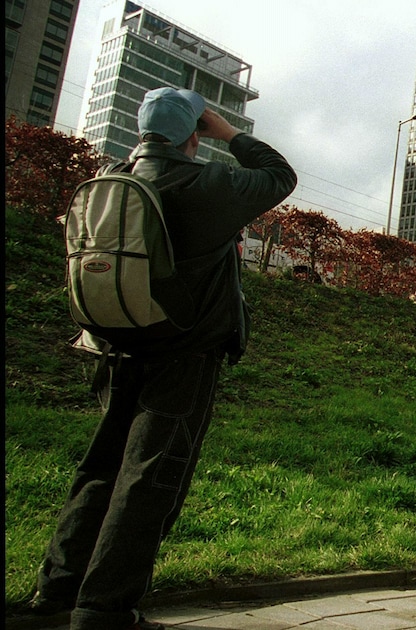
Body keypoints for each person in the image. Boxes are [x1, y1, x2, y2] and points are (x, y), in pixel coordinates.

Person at [29, 88, 297, 629]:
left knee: (100, 469)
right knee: (150, 476)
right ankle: (104, 608)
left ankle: (55, 592)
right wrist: (228, 132)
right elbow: (279, 175)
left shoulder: (114, 177)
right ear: (194, 133)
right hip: (184, 349)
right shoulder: (207, 184)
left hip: (117, 342)